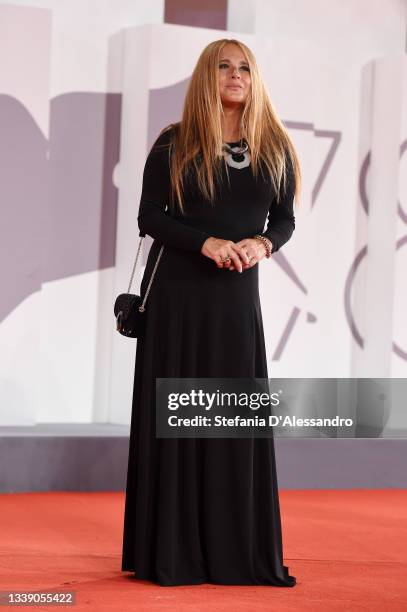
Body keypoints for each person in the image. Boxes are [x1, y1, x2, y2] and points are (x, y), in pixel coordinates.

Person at [121, 38, 301, 587]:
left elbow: (284, 220)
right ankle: (172, 552)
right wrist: (207, 244)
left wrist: (261, 246)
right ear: (207, 75)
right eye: (224, 67)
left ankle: (233, 552)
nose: (236, 75)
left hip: (234, 300)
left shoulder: (274, 146)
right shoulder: (174, 143)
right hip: (178, 297)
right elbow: (149, 216)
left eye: (245, 67)